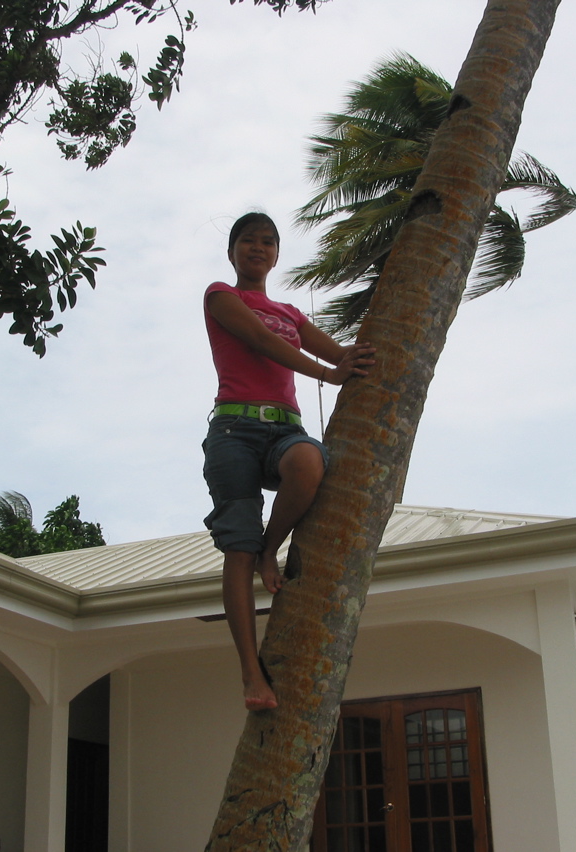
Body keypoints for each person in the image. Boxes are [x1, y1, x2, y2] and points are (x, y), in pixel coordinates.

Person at [203, 211, 375, 711]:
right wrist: (328, 374)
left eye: (268, 242)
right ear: (233, 250)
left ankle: (268, 549)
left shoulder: (292, 311)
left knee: (308, 464)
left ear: (277, 255)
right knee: (235, 548)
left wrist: (359, 356)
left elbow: (343, 354)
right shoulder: (221, 295)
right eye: (249, 241)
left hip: (284, 428)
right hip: (234, 429)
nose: (258, 249)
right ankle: (250, 672)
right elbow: (262, 343)